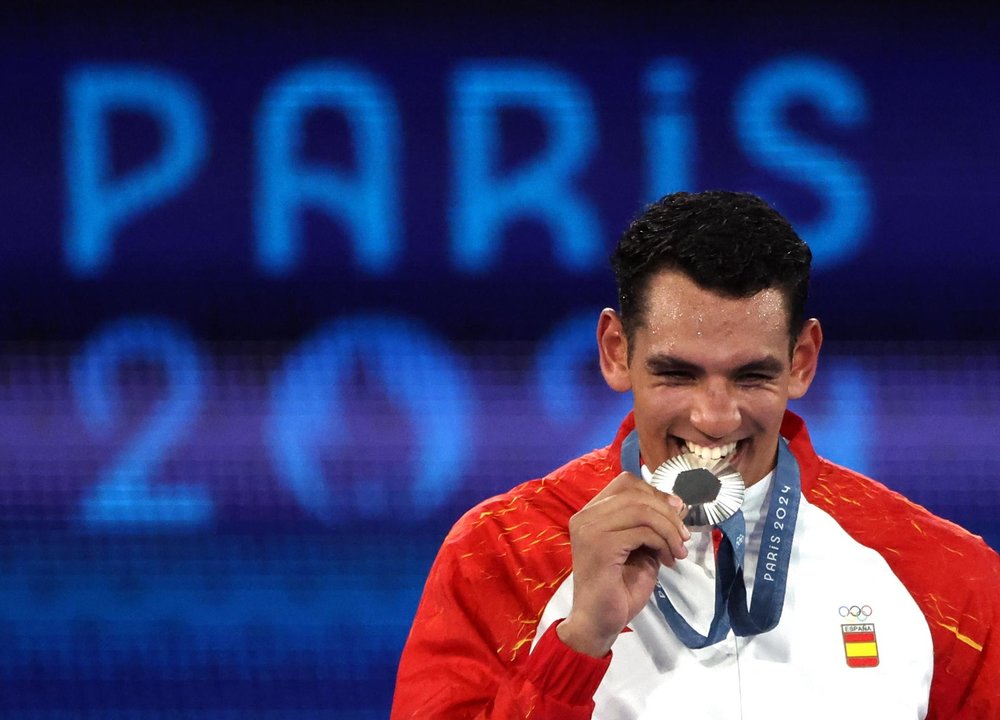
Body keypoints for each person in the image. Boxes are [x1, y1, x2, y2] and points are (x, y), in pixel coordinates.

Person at [391, 191, 1000, 718]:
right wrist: (578, 642)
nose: (714, 417)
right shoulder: (501, 557)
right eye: (677, 374)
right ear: (614, 351)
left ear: (802, 361)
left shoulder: (942, 578)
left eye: (752, 376)